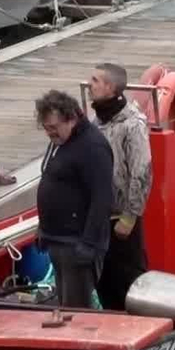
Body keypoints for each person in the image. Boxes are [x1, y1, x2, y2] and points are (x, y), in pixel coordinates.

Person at [34, 90, 114, 309]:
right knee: (64, 302)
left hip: (76, 243)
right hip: (57, 239)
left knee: (76, 309)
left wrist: (90, 243)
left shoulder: (92, 147)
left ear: (71, 118)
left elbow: (103, 197)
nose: (49, 134)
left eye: (53, 128)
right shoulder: (62, 141)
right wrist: (44, 228)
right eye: (46, 128)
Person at [88, 63, 152, 311]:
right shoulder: (97, 122)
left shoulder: (132, 124)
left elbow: (142, 171)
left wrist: (130, 216)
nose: (89, 85)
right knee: (103, 280)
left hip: (121, 220)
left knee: (129, 277)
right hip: (99, 217)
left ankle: (139, 326)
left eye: (95, 80)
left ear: (110, 87)